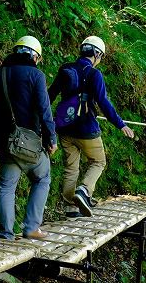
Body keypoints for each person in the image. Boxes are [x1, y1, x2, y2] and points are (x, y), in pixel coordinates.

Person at [0, 36, 58, 240]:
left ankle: (6, 234)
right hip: (29, 143)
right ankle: (31, 227)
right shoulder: (36, 76)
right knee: (43, 177)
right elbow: (44, 110)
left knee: (6, 186)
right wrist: (51, 139)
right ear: (34, 56)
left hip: (4, 141)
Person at [48, 36, 135, 218]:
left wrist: (45, 122)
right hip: (87, 129)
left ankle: (70, 208)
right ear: (96, 54)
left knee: (71, 168)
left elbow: (50, 95)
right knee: (98, 161)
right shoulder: (94, 75)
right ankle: (84, 191)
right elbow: (103, 103)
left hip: (64, 127)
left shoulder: (66, 69)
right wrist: (121, 124)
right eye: (101, 56)